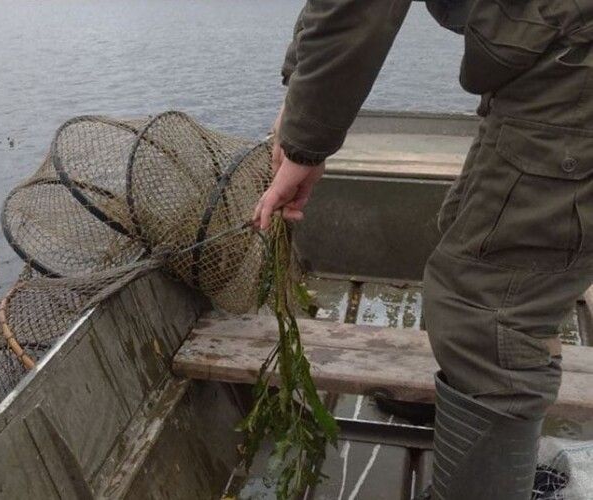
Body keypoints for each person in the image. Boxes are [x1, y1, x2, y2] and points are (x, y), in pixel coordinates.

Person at [253, 1, 593, 498]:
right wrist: (298, 92)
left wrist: (305, 145)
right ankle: (466, 402)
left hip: (571, 66)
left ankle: (487, 438)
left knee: (488, 312)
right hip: (543, 68)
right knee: (465, 233)